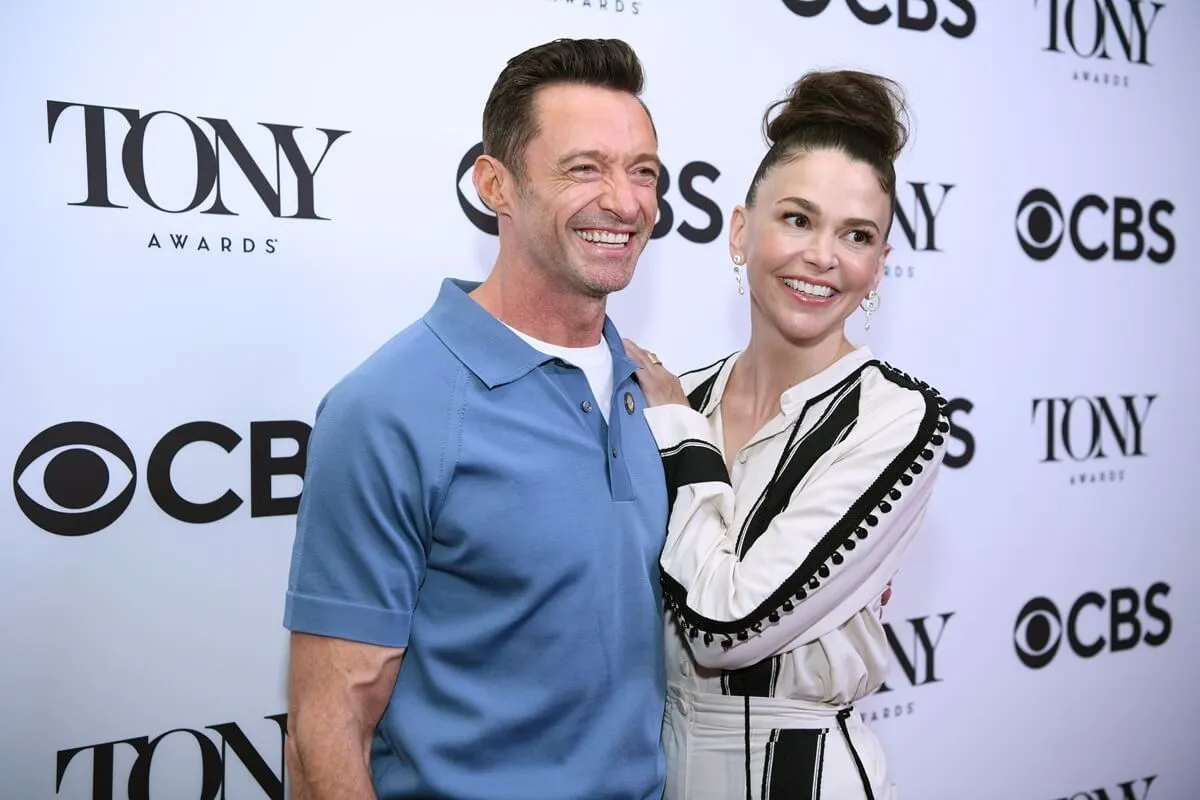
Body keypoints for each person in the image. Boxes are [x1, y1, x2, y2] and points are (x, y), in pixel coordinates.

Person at [281, 38, 670, 800]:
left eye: (643, 171)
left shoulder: (651, 392)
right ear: (495, 183)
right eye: (583, 167)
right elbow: (330, 723)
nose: (624, 202)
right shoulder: (389, 407)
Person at [624, 69, 951, 799]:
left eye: (856, 235)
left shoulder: (896, 418)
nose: (823, 256)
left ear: (879, 267)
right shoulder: (685, 395)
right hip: (649, 769)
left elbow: (726, 627)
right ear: (741, 229)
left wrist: (679, 438)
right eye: (798, 219)